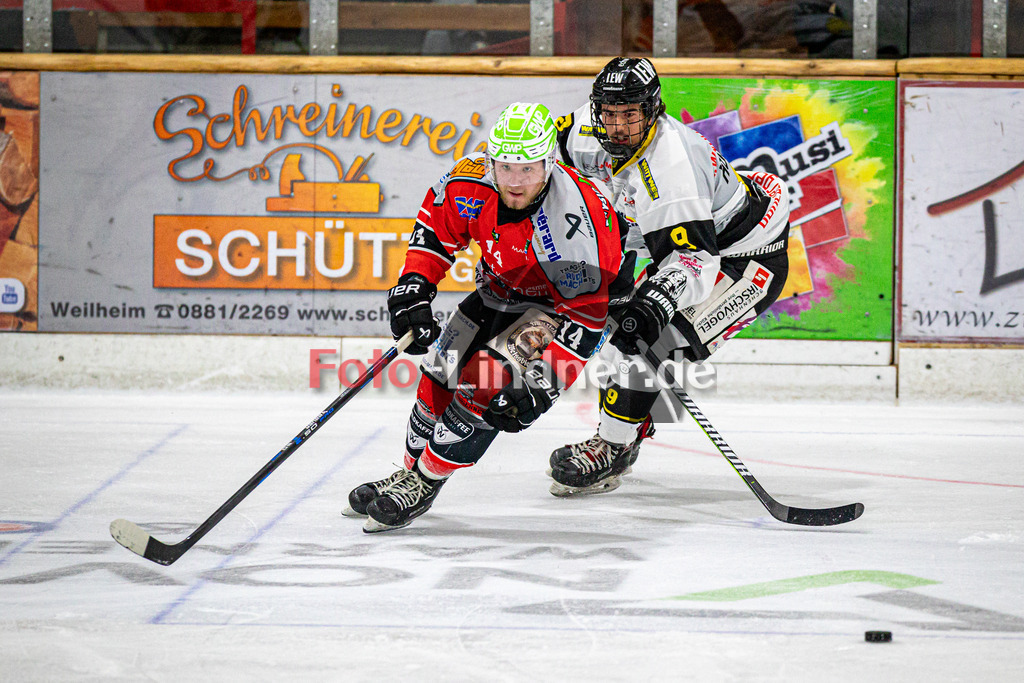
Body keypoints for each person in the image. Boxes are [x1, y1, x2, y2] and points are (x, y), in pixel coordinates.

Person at [343, 102, 627, 533]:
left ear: (550, 162)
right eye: (506, 166)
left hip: (553, 309)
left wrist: (541, 386)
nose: (514, 181)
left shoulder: (578, 219)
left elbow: (586, 321)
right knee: (438, 373)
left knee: (485, 381)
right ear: (491, 160)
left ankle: (425, 481)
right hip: (495, 291)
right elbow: (434, 232)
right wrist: (414, 286)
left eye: (528, 168)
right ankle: (409, 471)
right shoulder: (469, 180)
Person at [548, 57, 791, 496]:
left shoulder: (671, 168)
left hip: (744, 259)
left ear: (652, 110)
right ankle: (628, 429)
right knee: (618, 339)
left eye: (630, 114)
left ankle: (613, 447)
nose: (617, 127)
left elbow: (694, 260)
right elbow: (539, 157)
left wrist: (656, 301)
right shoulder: (585, 127)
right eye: (609, 113)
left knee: (651, 345)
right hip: (686, 242)